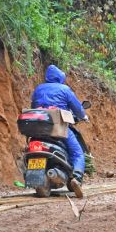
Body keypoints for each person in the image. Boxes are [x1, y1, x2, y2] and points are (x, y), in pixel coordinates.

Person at [31, 65, 89, 198]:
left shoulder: (38, 89)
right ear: (60, 77)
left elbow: (33, 106)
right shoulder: (65, 89)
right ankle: (77, 178)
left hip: (37, 128)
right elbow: (78, 109)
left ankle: (41, 177)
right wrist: (83, 116)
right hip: (58, 127)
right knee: (78, 152)